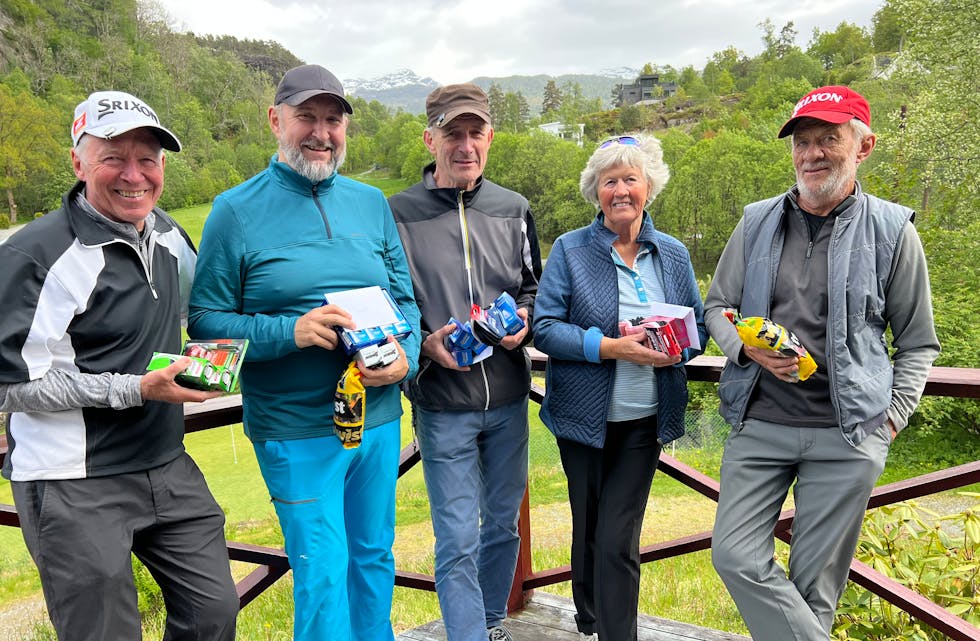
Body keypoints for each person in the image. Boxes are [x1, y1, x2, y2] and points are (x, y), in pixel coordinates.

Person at [187, 64, 421, 641]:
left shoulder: (371, 203)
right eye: (306, 118)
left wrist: (405, 355)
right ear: (276, 121)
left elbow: (405, 302)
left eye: (333, 120)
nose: (321, 132)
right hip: (294, 428)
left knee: (374, 558)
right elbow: (203, 324)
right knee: (322, 572)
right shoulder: (234, 211)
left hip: (379, 419)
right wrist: (288, 332)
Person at [0, 91, 239, 641]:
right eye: (113, 157)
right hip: (71, 481)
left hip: (165, 462)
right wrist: (134, 388)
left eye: (149, 158)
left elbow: (199, 316)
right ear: (78, 162)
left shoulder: (169, 235)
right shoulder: (35, 254)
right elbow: (9, 384)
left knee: (214, 613)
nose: (134, 175)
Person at [706, 85, 940, 641]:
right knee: (733, 555)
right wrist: (743, 348)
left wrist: (890, 419)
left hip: (847, 435)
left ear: (863, 146)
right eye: (803, 141)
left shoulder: (893, 230)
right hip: (759, 424)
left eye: (828, 139)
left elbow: (918, 341)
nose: (812, 153)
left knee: (815, 590)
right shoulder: (756, 220)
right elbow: (717, 306)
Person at [532, 134, 707, 641]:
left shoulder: (672, 254)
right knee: (587, 526)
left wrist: (679, 348)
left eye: (631, 178)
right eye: (610, 181)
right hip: (581, 419)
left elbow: (694, 324)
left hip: (645, 418)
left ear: (649, 186)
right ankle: (589, 620)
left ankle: (615, 634)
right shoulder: (570, 249)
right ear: (597, 192)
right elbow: (545, 328)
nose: (621, 190)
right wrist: (612, 346)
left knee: (616, 538)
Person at [388, 83, 541, 641]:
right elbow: (387, 302)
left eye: (476, 132)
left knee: (501, 526)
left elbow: (532, 287)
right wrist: (425, 341)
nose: (466, 145)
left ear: (491, 138)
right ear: (431, 138)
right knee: (456, 538)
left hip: (507, 396)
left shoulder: (514, 208)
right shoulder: (397, 214)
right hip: (441, 402)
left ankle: (493, 623)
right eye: (453, 133)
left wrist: (523, 320)